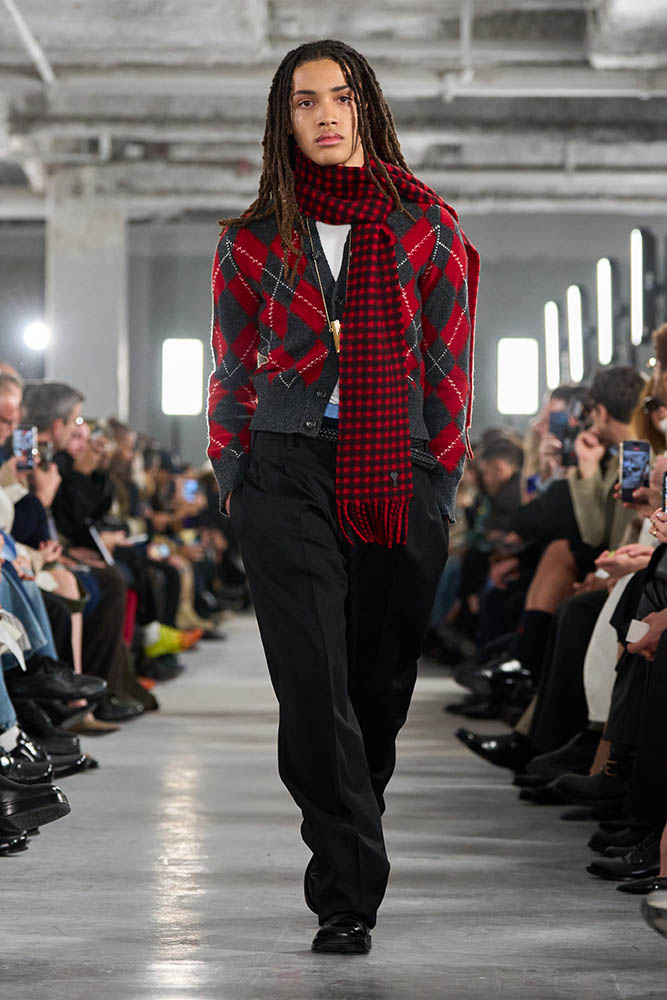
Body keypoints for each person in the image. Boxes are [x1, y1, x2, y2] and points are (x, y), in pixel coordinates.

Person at [207, 39, 479, 954]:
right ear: (281, 119)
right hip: (284, 470)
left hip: (398, 466)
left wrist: (438, 475)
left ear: (366, 107)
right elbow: (230, 369)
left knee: (377, 685)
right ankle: (346, 894)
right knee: (313, 683)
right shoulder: (252, 237)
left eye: (339, 96)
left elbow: (449, 364)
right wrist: (235, 478)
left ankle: (351, 827)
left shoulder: (424, 226)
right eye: (303, 100)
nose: (323, 113)